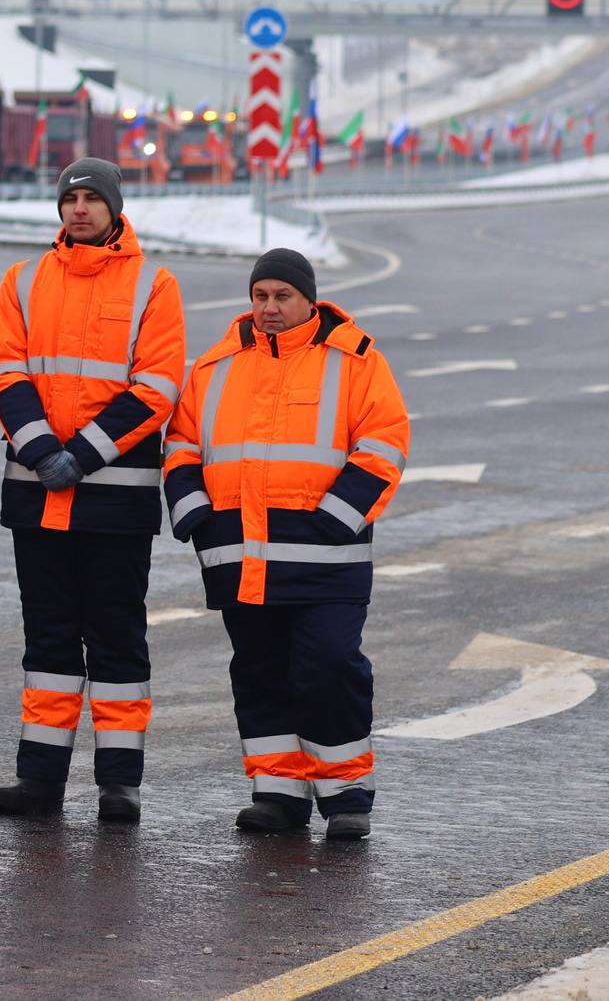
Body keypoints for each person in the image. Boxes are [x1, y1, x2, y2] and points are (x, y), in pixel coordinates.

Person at [165, 247, 408, 841]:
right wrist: (197, 515)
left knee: (328, 666)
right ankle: (277, 790)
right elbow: (181, 445)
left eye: (282, 297)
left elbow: (384, 443)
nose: (269, 308)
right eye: (260, 296)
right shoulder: (213, 367)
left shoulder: (354, 361)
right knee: (259, 671)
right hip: (238, 557)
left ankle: (346, 790)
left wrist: (333, 521)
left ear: (308, 299)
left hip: (325, 556)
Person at [0, 157, 186, 823]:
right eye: (72, 199)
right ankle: (39, 778)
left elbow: (157, 386)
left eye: (94, 199)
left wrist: (83, 453)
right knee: (47, 640)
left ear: (115, 207)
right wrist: (44, 452)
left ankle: (119, 782)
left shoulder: (154, 284)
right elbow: (5, 370)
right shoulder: (24, 278)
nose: (81, 210)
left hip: (114, 496)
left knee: (116, 637)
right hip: (39, 491)